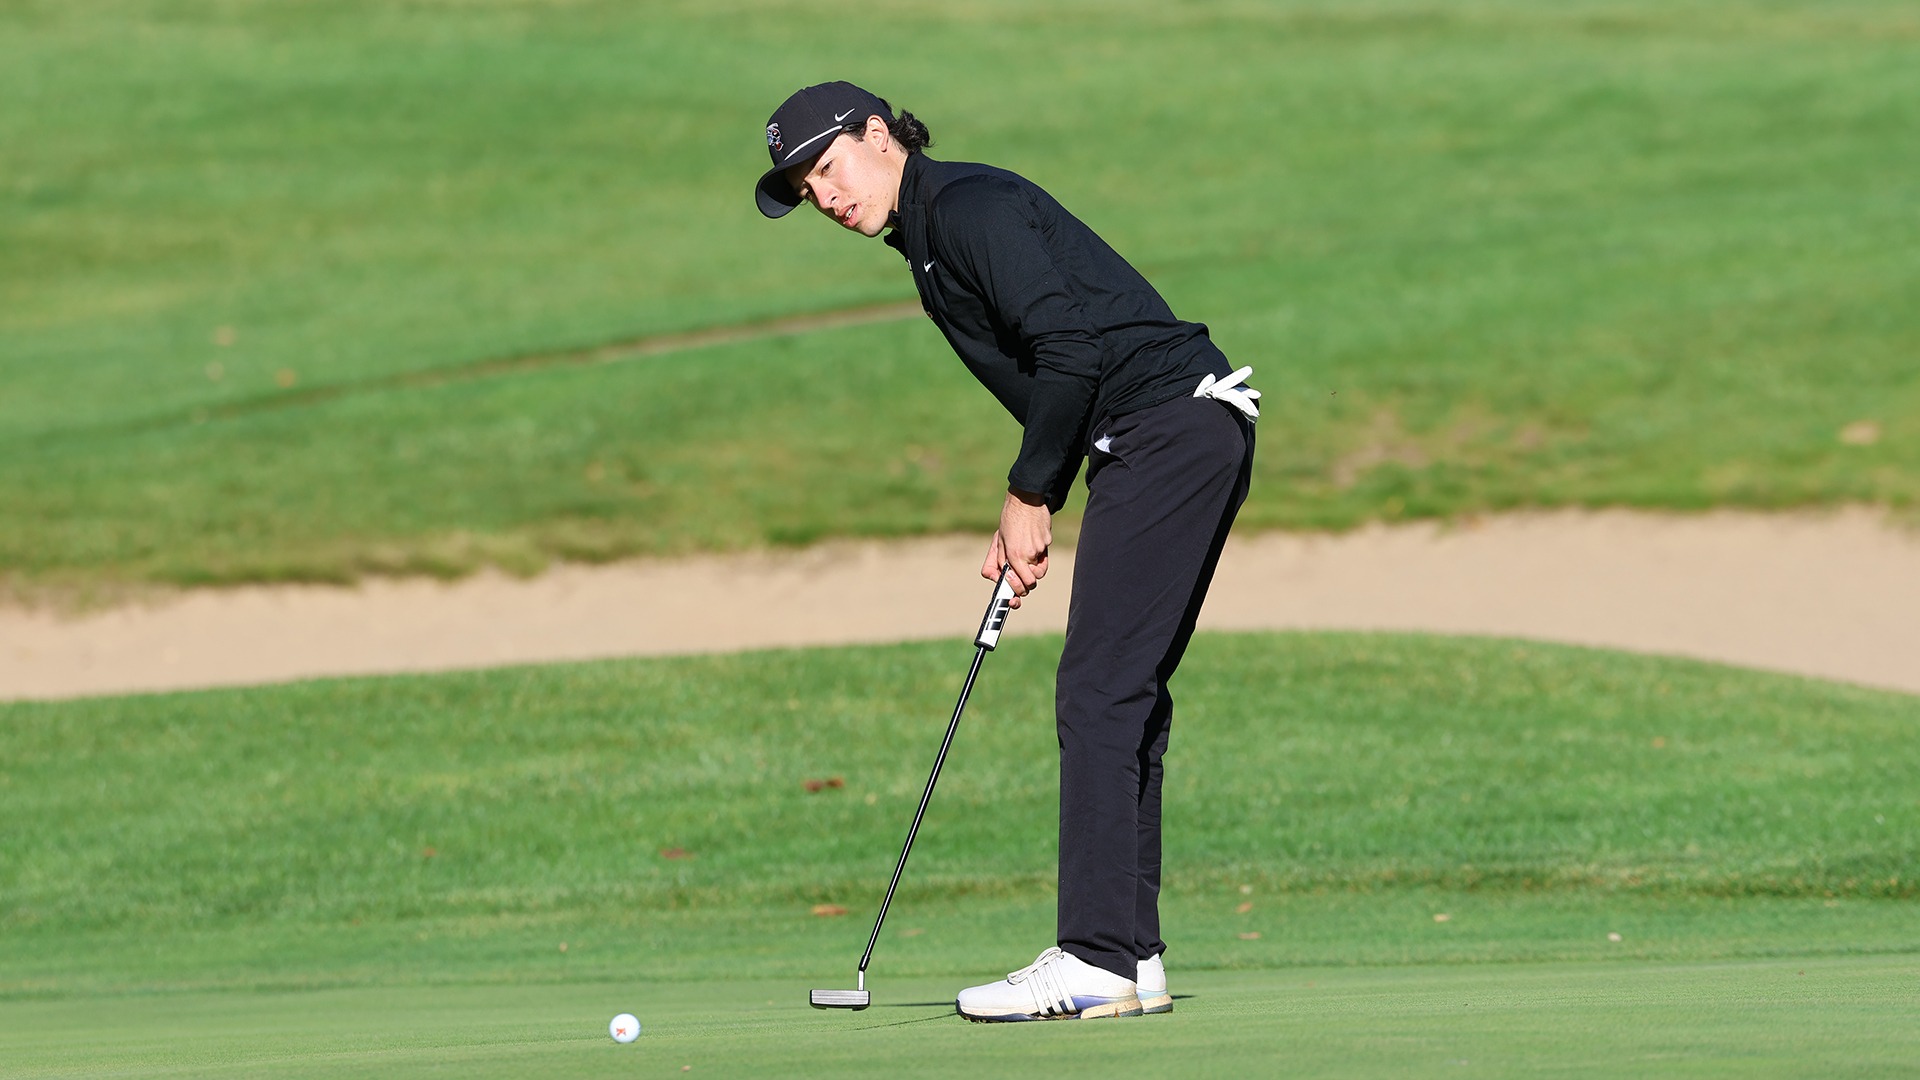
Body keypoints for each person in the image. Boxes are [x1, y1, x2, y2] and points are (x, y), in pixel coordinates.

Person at [756, 82, 1258, 1022]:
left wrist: (1031, 492)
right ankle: (1134, 953)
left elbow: (1070, 349)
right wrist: (1034, 497)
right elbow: (1062, 375)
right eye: (805, 188)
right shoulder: (930, 240)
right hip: (1159, 436)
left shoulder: (967, 208)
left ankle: (1096, 956)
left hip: (1167, 429)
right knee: (1124, 689)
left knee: (1100, 688)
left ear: (880, 136)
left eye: (828, 169)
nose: (825, 197)